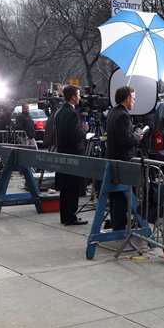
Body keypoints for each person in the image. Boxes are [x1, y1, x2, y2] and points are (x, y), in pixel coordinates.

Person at [106, 86, 142, 231]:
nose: (134, 101)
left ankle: (117, 224)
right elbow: (125, 140)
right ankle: (120, 227)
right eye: (133, 98)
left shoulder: (113, 112)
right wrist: (137, 137)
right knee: (123, 196)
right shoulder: (123, 115)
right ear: (127, 98)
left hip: (113, 159)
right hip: (123, 161)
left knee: (116, 196)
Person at [54, 85, 88, 226]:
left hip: (62, 152)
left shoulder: (60, 112)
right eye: (78, 95)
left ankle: (64, 216)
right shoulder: (72, 113)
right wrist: (84, 130)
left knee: (65, 188)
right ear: (73, 97)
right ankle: (71, 217)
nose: (80, 97)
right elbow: (74, 135)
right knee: (73, 187)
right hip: (73, 154)